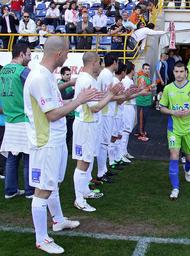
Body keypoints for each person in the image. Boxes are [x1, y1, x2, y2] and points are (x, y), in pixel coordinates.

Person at [24, 36, 98, 254]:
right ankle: (41, 239)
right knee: (42, 190)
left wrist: (75, 100)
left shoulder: (46, 76)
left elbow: (56, 106)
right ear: (58, 54)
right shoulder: (39, 77)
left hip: (54, 141)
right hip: (45, 143)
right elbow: (53, 114)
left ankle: (57, 220)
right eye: (66, 52)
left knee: (52, 184)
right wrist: (79, 100)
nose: (67, 56)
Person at [73, 52, 121, 212]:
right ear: (93, 62)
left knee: (86, 160)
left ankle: (84, 192)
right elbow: (95, 107)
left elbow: (96, 102)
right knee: (83, 162)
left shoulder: (87, 79)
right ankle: (79, 199)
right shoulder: (87, 80)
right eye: (99, 62)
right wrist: (112, 95)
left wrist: (108, 95)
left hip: (88, 124)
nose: (101, 65)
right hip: (85, 124)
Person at [159, 61, 190, 200]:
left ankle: (188, 168)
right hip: (174, 129)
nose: (179, 74)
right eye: (176, 72)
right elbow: (161, 107)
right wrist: (173, 112)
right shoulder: (168, 89)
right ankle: (175, 188)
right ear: (173, 73)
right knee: (173, 156)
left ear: (186, 72)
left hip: (189, 129)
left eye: (181, 72)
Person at [0, 43, 34, 199]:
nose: (30, 57)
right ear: (21, 54)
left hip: (10, 119)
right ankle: (29, 191)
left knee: (12, 157)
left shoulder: (3, 70)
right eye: (28, 54)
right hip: (23, 118)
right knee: (28, 156)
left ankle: (10, 190)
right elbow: (36, 86)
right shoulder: (23, 71)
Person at [96, 53, 119, 182]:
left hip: (108, 111)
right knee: (103, 143)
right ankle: (100, 173)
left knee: (105, 142)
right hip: (104, 113)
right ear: (114, 62)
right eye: (118, 62)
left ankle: (103, 169)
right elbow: (107, 96)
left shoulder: (108, 74)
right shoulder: (105, 75)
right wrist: (122, 96)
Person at [58, 67, 76, 148]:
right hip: (65, 114)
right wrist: (75, 92)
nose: (69, 76)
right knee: (67, 133)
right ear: (62, 75)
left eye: (70, 74)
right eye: (67, 74)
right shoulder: (60, 84)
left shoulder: (68, 84)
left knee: (70, 133)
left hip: (71, 113)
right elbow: (64, 98)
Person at [135, 63, 154, 142]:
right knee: (142, 119)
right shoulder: (142, 78)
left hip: (146, 101)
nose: (147, 70)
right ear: (142, 69)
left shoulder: (146, 77)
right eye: (145, 69)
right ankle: (141, 134)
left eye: (148, 69)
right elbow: (142, 90)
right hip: (142, 102)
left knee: (143, 119)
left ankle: (138, 131)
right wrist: (151, 87)